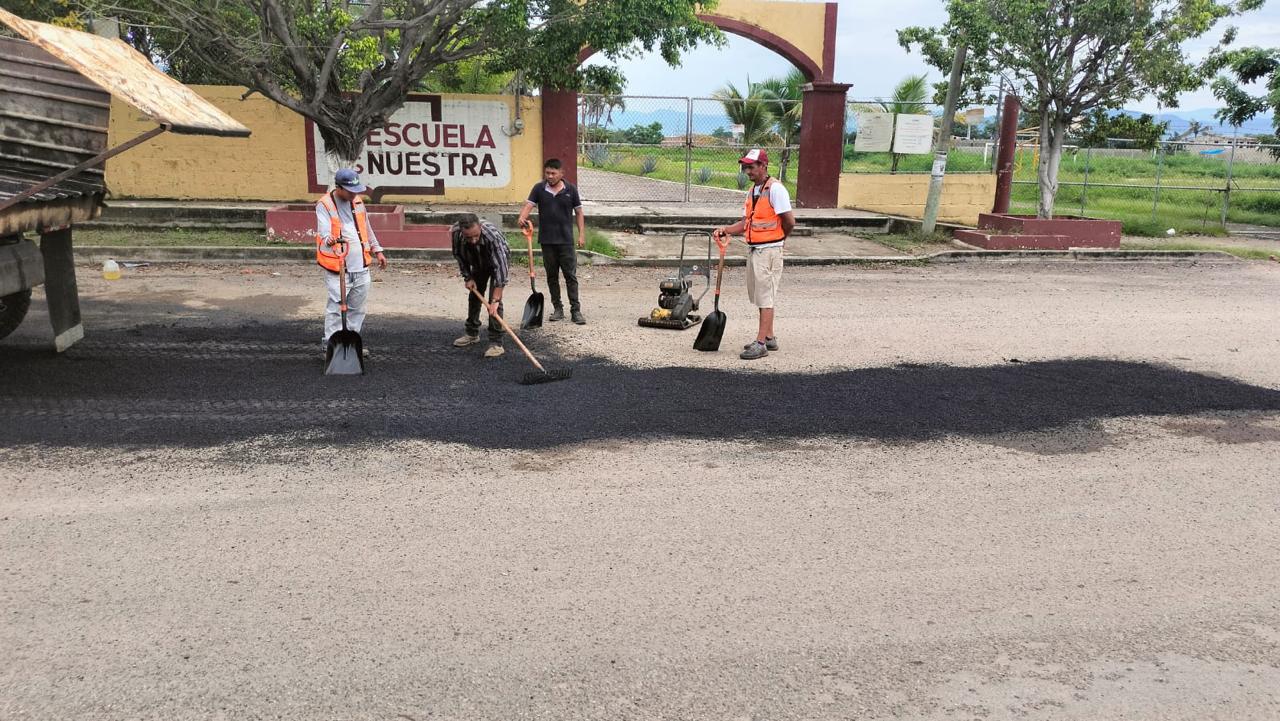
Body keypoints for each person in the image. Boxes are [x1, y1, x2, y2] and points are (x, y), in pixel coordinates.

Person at [712, 148, 795, 360]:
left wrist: (780, 239)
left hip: (769, 250)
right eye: (745, 167)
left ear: (763, 166)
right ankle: (768, 336)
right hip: (756, 249)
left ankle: (760, 344)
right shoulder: (753, 192)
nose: (747, 171)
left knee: (765, 296)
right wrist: (725, 230)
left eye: (751, 166)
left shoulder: (776, 189)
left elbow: (789, 220)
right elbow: (745, 223)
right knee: (761, 295)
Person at [316, 168, 387, 352]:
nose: (354, 194)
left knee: (358, 309)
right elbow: (323, 229)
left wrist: (377, 249)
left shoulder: (357, 201)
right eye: (350, 190)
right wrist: (328, 238)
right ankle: (330, 347)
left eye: (356, 190)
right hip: (338, 268)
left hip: (361, 266)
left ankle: (351, 344)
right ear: (338, 187)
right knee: (335, 308)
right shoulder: (325, 204)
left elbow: (367, 227)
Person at [517, 158, 587, 325]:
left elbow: (579, 212)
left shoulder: (571, 190)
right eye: (547, 173)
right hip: (547, 241)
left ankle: (575, 310)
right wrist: (522, 217)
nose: (549, 176)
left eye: (553, 173)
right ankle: (558, 308)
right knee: (552, 276)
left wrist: (581, 234)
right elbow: (529, 205)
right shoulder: (539, 188)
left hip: (566, 241)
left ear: (561, 173)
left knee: (570, 276)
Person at [450, 213, 511, 358]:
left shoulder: (492, 236)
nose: (473, 240)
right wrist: (468, 277)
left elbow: (500, 271)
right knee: (474, 296)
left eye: (476, 236)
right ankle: (472, 333)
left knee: (494, 303)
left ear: (480, 227)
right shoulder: (456, 233)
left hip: (497, 260)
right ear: (462, 232)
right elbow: (458, 254)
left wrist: (495, 300)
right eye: (468, 237)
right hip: (477, 262)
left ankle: (496, 343)